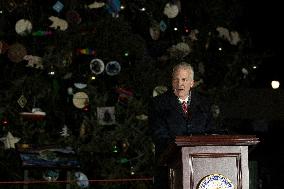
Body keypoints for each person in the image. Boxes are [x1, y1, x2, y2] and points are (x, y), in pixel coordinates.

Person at [148, 62, 214, 189]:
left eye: (184, 79)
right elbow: (158, 134)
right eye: (176, 80)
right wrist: (180, 147)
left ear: (192, 83)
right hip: (170, 167)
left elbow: (210, 131)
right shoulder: (158, 103)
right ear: (172, 81)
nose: (180, 84)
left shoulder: (204, 103)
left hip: (200, 165)